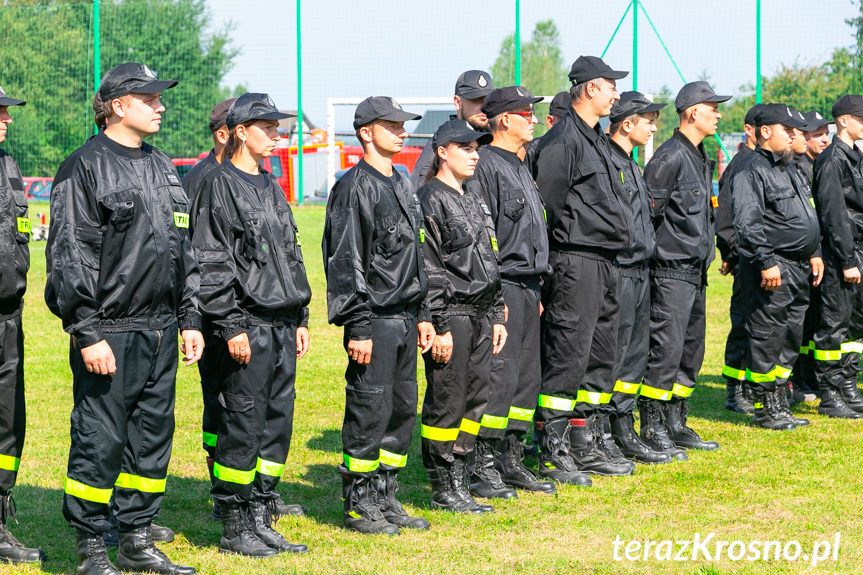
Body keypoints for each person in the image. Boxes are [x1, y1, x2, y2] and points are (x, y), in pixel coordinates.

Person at [45, 62, 202, 575]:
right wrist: (87, 332)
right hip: (110, 332)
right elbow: (70, 256)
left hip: (162, 330)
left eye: (160, 98)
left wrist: (190, 318)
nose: (161, 106)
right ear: (118, 105)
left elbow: (185, 250)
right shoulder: (83, 166)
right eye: (150, 98)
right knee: (100, 438)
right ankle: (92, 548)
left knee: (150, 441)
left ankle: (137, 538)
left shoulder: (161, 166)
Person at [192, 92, 310, 556]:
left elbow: (290, 253)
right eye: (268, 128)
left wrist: (299, 315)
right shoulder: (218, 183)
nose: (277, 135)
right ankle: (234, 521)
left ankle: (261, 513)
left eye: (278, 128)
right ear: (241, 131)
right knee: (241, 422)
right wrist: (230, 323)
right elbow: (211, 261)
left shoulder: (270, 183)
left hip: (281, 324)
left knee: (276, 421)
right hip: (247, 325)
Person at [323, 96, 435, 535]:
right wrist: (359, 324)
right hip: (377, 320)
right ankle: (358, 502)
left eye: (403, 125)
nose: (402, 132)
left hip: (407, 317)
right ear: (366, 132)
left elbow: (417, 254)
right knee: (369, 409)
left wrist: (424, 312)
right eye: (392, 125)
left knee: (402, 410)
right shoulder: (353, 187)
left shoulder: (402, 181)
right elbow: (346, 260)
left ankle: (386, 496)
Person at [531, 55, 634, 478]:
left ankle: (584, 442)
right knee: (567, 357)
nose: (616, 93)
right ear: (590, 88)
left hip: (607, 263)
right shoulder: (563, 143)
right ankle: (553, 449)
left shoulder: (595, 139)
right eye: (611, 85)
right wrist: (547, 273)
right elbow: (546, 211)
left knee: (600, 356)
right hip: (575, 261)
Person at [469, 86, 559, 492]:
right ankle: (480, 462)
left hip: (528, 285)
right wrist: (496, 297)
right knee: (498, 377)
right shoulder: (486, 165)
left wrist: (537, 288)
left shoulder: (520, 164)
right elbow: (483, 237)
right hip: (502, 284)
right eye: (528, 114)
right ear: (505, 119)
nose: (535, 121)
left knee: (525, 377)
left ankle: (511, 457)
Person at [418, 119, 507, 512]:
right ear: (442, 152)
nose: (474, 155)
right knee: (447, 399)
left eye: (477, 149)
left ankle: (461, 471)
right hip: (452, 314)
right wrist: (439, 324)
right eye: (466, 148)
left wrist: (498, 312)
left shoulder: (473, 196)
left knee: (476, 398)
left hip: (482, 313)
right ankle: (441, 483)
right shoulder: (429, 199)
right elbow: (429, 267)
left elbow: (490, 256)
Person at [640, 81, 730, 453]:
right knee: (665, 349)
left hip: (695, 272)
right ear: (693, 112)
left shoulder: (699, 154)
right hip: (670, 271)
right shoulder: (669, 157)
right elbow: (648, 216)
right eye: (713, 109)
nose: (719, 115)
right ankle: (653, 425)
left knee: (690, 350)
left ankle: (677, 422)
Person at [732, 103, 821, 430]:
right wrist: (767, 261)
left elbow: (807, 213)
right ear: (766, 131)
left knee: (789, 334)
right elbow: (747, 222)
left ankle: (780, 400)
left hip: (799, 266)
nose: (795, 136)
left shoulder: (790, 166)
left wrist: (815, 250)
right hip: (774, 267)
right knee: (768, 335)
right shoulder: (750, 169)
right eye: (788, 130)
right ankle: (765, 406)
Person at [605, 91, 675, 464]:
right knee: (612, 355)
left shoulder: (631, 163)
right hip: (617, 272)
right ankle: (602, 432)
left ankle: (623, 426)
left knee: (634, 355)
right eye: (648, 119)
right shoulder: (607, 161)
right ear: (627, 124)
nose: (653, 126)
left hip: (640, 272)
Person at [183, 97, 235, 521]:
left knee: (244, 402)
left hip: (243, 310)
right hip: (213, 310)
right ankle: (222, 488)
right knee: (220, 399)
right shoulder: (203, 178)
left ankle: (246, 487)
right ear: (223, 133)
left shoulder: (246, 174)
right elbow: (195, 254)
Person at [0, 85, 45, 565]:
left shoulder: (8, 166)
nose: (6, 119)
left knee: (8, 422)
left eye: (7, 112)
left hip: (8, 315)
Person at [810, 94, 863, 418]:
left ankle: (847, 384)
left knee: (856, 325)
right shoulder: (832, 159)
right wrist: (847, 261)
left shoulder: (856, 156)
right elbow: (833, 215)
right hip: (843, 251)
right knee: (834, 324)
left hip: (859, 248)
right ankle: (829, 393)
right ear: (844, 120)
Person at [715, 104, 764, 414]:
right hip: (747, 259)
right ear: (749, 130)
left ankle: (753, 386)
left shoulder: (763, 163)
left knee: (760, 325)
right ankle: (735, 392)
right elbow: (728, 218)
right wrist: (734, 257)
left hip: (762, 258)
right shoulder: (741, 166)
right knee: (743, 326)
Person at [790, 110, 832, 401]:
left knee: (815, 319)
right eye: (816, 134)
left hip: (821, 253)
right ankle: (799, 378)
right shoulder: (799, 168)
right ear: (803, 138)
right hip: (804, 255)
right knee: (801, 321)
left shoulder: (820, 164)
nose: (824, 140)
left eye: (825, 134)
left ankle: (810, 376)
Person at [410, 70, 495, 190]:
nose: (483, 107)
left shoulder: (497, 143)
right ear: (457, 102)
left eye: (487, 101)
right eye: (476, 100)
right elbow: (418, 196)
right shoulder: (440, 145)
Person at [525, 91, 570, 169]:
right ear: (550, 122)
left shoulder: (585, 149)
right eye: (566, 121)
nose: (572, 126)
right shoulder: (531, 152)